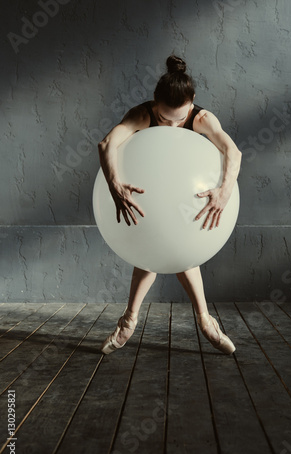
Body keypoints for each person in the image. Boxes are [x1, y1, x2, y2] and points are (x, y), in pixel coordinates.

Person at [98, 55, 242, 356]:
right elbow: (107, 144)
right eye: (164, 120)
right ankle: (143, 321)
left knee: (181, 251)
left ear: (192, 104)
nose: (171, 126)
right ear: (154, 103)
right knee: (152, 249)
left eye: (179, 120)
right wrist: (114, 186)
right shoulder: (141, 114)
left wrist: (224, 192)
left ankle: (197, 321)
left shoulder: (202, 119)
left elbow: (233, 152)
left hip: (187, 196)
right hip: (151, 193)